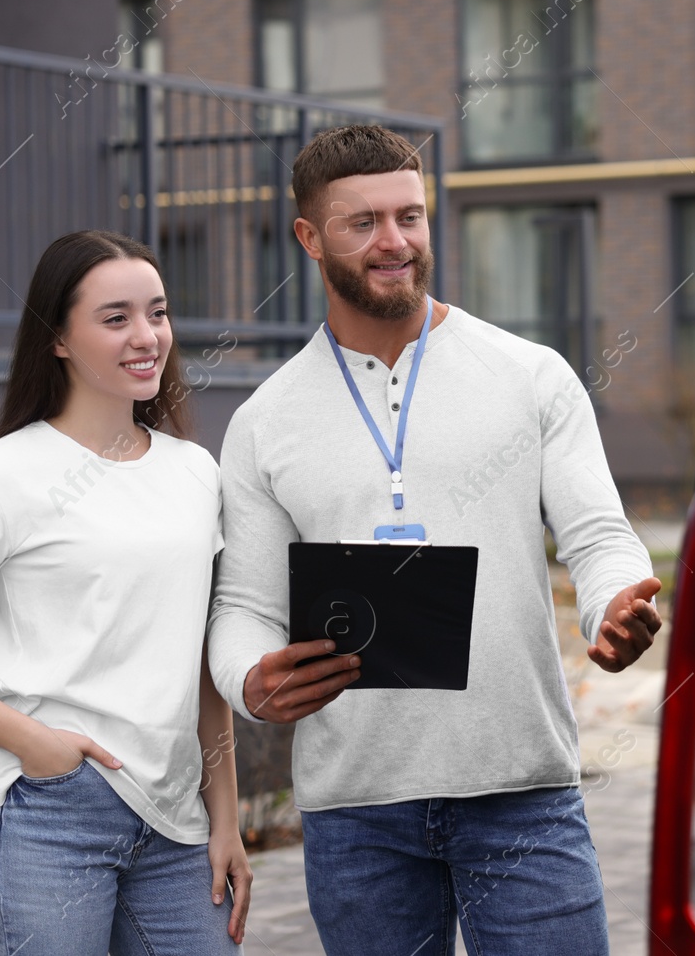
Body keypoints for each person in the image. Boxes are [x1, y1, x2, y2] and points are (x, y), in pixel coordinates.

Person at [208, 124, 663, 955]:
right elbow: (242, 605)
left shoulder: (531, 376)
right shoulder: (263, 422)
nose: (396, 242)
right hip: (355, 811)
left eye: (410, 217)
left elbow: (598, 536)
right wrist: (251, 680)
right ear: (309, 237)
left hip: (522, 790)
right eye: (364, 223)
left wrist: (614, 602)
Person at [0, 230, 250, 955]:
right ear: (58, 339)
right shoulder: (1, 474)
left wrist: (224, 816)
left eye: (158, 312)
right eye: (115, 318)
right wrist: (33, 743)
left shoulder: (196, 470)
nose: (147, 336)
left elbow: (202, 657)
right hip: (50, 815)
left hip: (177, 824)